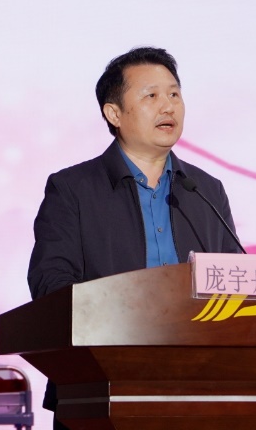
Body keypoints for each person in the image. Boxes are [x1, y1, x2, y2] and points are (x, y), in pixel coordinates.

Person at [26, 46, 243, 428]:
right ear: (114, 113)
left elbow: (234, 280)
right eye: (151, 96)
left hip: (199, 388)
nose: (168, 106)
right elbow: (50, 284)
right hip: (100, 386)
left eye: (174, 94)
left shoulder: (206, 190)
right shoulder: (73, 188)